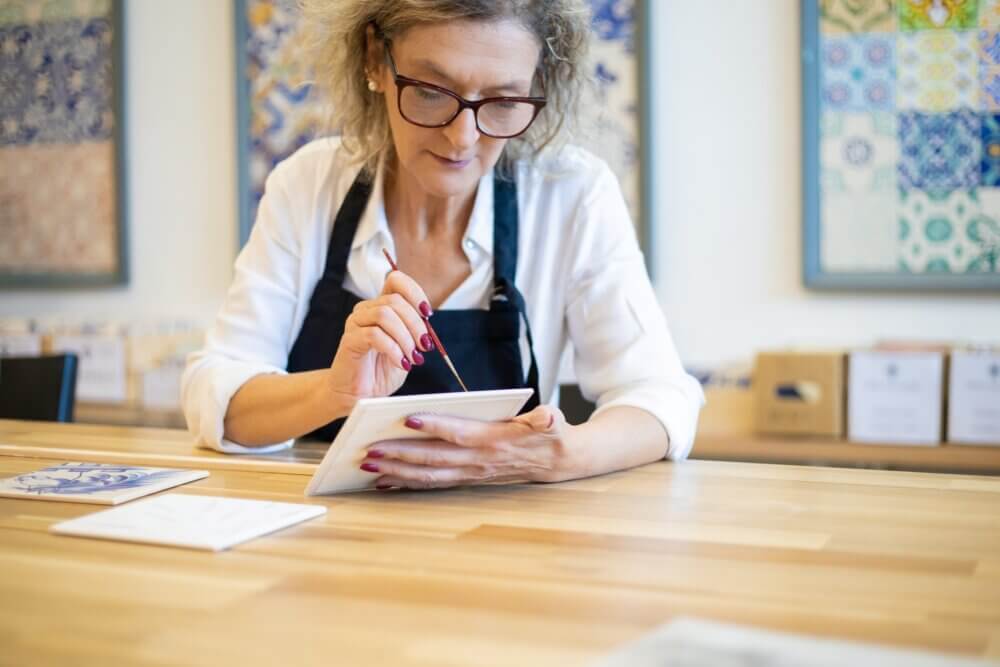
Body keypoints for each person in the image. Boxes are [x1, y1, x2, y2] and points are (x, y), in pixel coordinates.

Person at [182, 0, 704, 490]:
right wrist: (332, 393)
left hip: (498, 544)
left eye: (502, 101)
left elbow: (662, 399)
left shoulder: (573, 194)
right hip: (322, 538)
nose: (462, 138)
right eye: (432, 91)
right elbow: (216, 394)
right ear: (376, 60)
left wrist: (557, 454)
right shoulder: (308, 185)